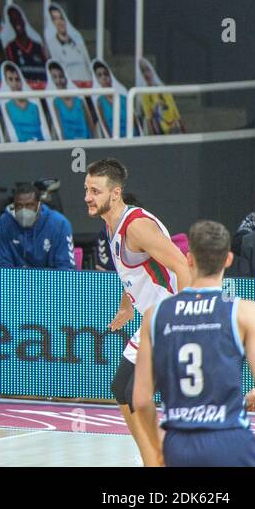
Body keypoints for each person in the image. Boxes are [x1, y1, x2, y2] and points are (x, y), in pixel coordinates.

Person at [135, 219, 255, 468]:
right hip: (230, 439)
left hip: (178, 442)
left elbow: (142, 401)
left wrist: (157, 451)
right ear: (228, 260)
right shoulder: (245, 312)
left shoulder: (155, 315)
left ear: (189, 259)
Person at [84, 157, 191, 468]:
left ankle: (160, 458)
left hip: (168, 318)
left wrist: (182, 318)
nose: (88, 197)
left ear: (115, 193)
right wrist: (127, 304)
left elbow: (181, 266)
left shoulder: (137, 226)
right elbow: (136, 272)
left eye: (95, 191)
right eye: (87, 189)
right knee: (121, 388)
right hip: (149, 318)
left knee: (136, 393)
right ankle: (153, 456)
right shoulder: (111, 223)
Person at [0, 182, 75, 270]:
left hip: (50, 282)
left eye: (29, 205)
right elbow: (2, 265)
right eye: (19, 206)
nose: (24, 210)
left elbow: (66, 269)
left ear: (39, 206)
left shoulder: (60, 224)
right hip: (15, 281)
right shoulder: (5, 222)